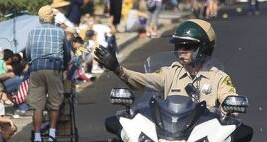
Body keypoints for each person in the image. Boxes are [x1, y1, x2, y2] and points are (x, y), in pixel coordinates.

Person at [95, 19, 240, 110]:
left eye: (187, 47)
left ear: (204, 48)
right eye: (178, 47)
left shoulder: (219, 78)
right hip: (172, 135)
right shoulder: (170, 73)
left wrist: (230, 108)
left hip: (206, 139)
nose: (181, 51)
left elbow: (230, 103)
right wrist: (118, 69)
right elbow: (144, 81)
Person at [26, 5, 73, 142]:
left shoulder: (32, 32)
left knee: (37, 105)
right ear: (52, 17)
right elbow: (67, 54)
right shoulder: (60, 32)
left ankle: (38, 138)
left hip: (36, 69)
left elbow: (28, 54)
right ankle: (52, 135)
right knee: (54, 102)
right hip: (54, 68)